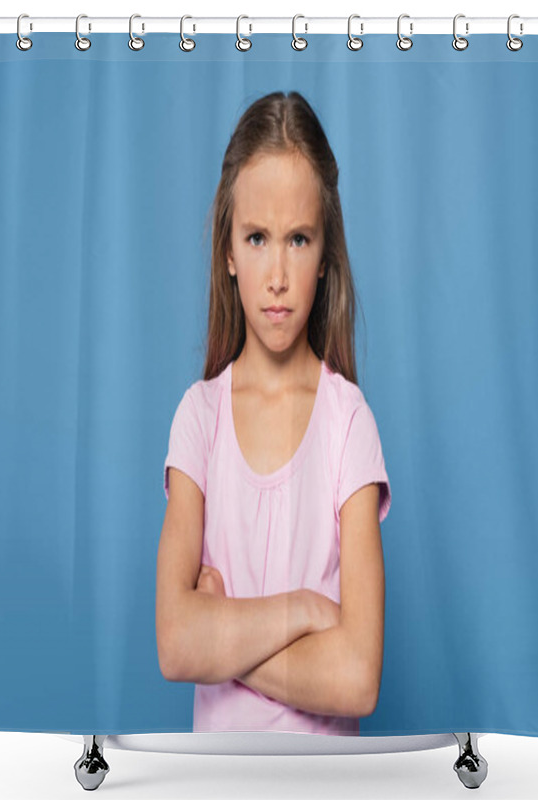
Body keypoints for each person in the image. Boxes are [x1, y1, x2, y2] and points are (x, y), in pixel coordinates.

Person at [156, 90, 392, 735]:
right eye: (257, 238)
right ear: (228, 252)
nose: (279, 275)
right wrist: (306, 610)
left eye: (299, 239)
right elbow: (176, 645)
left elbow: (357, 678)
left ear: (326, 258)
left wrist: (223, 635)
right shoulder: (198, 418)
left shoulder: (349, 423)